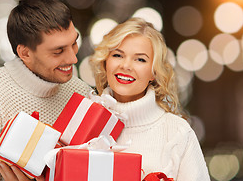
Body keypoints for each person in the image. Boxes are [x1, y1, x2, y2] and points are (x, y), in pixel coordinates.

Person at [0, 0, 91, 181]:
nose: (73, 59)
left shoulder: (81, 93)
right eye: (58, 51)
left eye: (74, 43)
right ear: (25, 53)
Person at [90, 17, 210, 181]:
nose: (126, 65)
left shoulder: (177, 133)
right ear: (105, 63)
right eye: (118, 55)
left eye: (140, 59)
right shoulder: (85, 121)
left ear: (154, 72)